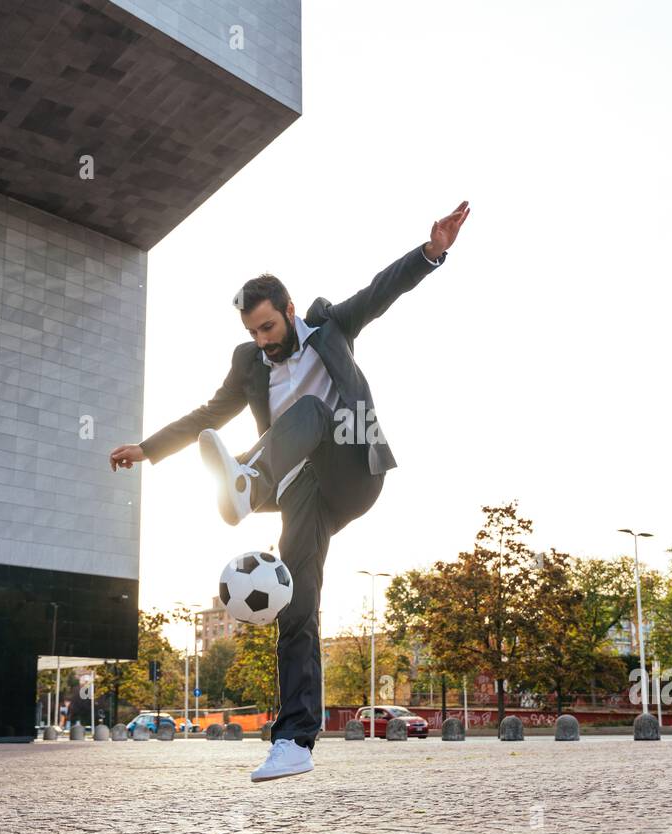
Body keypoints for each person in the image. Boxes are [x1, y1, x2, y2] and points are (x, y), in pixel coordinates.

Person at [110, 201, 470, 781]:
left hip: (352, 469)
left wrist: (432, 252)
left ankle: (248, 482)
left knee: (308, 411)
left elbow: (383, 291)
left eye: (269, 328)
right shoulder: (249, 362)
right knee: (296, 604)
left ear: (290, 312)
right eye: (252, 332)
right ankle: (295, 741)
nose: (262, 341)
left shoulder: (331, 329)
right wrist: (148, 449)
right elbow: (211, 411)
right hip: (302, 488)